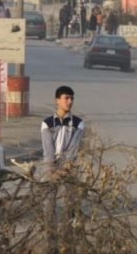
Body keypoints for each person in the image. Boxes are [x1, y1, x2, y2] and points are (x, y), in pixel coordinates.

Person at [41, 85, 85, 251]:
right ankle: (51, 243)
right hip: (50, 167)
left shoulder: (79, 124)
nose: (70, 101)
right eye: (66, 98)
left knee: (70, 204)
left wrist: (65, 168)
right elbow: (48, 150)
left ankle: (68, 242)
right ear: (57, 100)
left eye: (72, 98)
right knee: (49, 206)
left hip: (69, 167)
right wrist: (52, 170)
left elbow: (73, 149)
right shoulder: (46, 124)